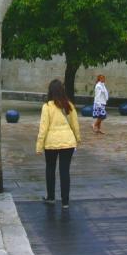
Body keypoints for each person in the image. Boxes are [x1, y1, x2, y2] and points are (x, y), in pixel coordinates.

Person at [36, 79, 80, 209]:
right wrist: (77, 139)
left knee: (50, 168)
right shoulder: (69, 105)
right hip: (68, 142)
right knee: (64, 171)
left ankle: (51, 197)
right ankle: (65, 201)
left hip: (51, 143)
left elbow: (43, 128)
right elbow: (75, 124)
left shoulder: (47, 107)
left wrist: (39, 145)